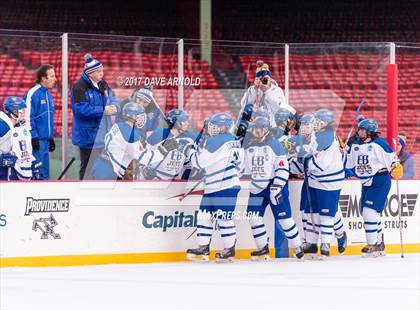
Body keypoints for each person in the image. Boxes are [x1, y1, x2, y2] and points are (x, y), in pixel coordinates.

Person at [243, 116, 304, 260]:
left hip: (274, 186)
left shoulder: (275, 145)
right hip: (256, 187)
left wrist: (277, 187)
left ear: (266, 130)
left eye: (259, 129)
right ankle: (262, 247)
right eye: (254, 129)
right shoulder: (249, 145)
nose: (256, 131)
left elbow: (283, 169)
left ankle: (297, 246)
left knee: (285, 219)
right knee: (253, 217)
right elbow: (243, 168)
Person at [185, 112, 243, 262]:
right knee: (205, 216)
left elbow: (199, 163)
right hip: (218, 185)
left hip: (223, 186)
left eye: (216, 126)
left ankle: (229, 249)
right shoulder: (234, 140)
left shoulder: (215, 141)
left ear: (224, 127)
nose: (213, 128)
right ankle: (203, 247)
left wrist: (189, 150)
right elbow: (240, 166)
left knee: (223, 218)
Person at [345, 119, 403, 256]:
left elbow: (393, 160)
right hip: (365, 182)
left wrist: (396, 166)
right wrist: (344, 158)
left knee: (369, 212)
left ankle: (372, 244)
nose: (359, 132)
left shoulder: (379, 144)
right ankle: (379, 242)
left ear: (370, 132)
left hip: (380, 180)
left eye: (363, 130)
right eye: (359, 129)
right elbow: (349, 165)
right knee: (371, 213)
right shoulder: (355, 145)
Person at [91, 102, 178, 180]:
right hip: (110, 171)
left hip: (100, 165)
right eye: (140, 115)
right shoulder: (130, 135)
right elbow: (145, 158)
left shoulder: (118, 125)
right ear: (133, 117)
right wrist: (163, 151)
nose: (143, 118)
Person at [71, 54, 120, 180]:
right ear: (90, 73)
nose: (101, 73)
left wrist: (115, 107)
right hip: (88, 137)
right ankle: (83, 194)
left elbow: (114, 99)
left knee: (103, 168)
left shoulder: (103, 84)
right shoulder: (79, 87)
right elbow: (81, 110)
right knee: (87, 168)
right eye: (98, 71)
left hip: (103, 136)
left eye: (102, 70)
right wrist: (104, 110)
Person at [304, 109, 345, 258]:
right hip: (316, 179)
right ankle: (312, 243)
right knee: (314, 212)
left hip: (329, 181)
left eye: (317, 121)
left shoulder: (327, 137)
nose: (315, 124)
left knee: (326, 214)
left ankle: (326, 244)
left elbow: (323, 162)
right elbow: (310, 151)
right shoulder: (319, 135)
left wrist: (309, 166)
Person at [238, 60, 295, 129]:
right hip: (256, 127)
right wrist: (255, 89)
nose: (263, 80)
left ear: (270, 78)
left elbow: (279, 109)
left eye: (266, 78)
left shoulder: (277, 90)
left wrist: (267, 91)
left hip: (273, 127)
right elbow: (245, 106)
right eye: (260, 78)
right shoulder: (252, 90)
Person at [144, 109, 197, 180]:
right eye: (184, 121)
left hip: (173, 181)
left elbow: (188, 163)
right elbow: (144, 155)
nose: (187, 123)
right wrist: (144, 168)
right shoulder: (159, 135)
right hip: (155, 178)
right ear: (176, 122)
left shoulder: (189, 137)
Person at [23, 64, 56, 180]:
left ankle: (45, 197)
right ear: (43, 78)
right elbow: (27, 116)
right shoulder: (33, 93)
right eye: (52, 76)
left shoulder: (49, 95)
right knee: (36, 174)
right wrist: (33, 137)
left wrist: (51, 137)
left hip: (45, 141)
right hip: (36, 142)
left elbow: (49, 119)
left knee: (45, 174)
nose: (55, 79)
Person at [0, 97, 41, 181]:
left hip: (13, 171)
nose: (24, 113)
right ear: (14, 111)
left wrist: (33, 161)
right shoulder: (4, 126)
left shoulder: (21, 128)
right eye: (22, 110)